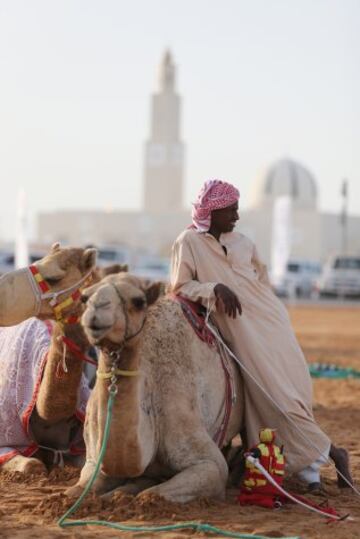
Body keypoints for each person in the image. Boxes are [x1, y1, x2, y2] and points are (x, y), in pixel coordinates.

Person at [170, 179, 352, 491]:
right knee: (273, 399)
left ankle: (312, 470)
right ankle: (330, 456)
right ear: (212, 211)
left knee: (291, 392)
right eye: (232, 210)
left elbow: (262, 281)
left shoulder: (243, 242)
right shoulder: (188, 242)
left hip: (271, 323)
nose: (237, 217)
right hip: (239, 330)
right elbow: (178, 287)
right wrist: (213, 288)